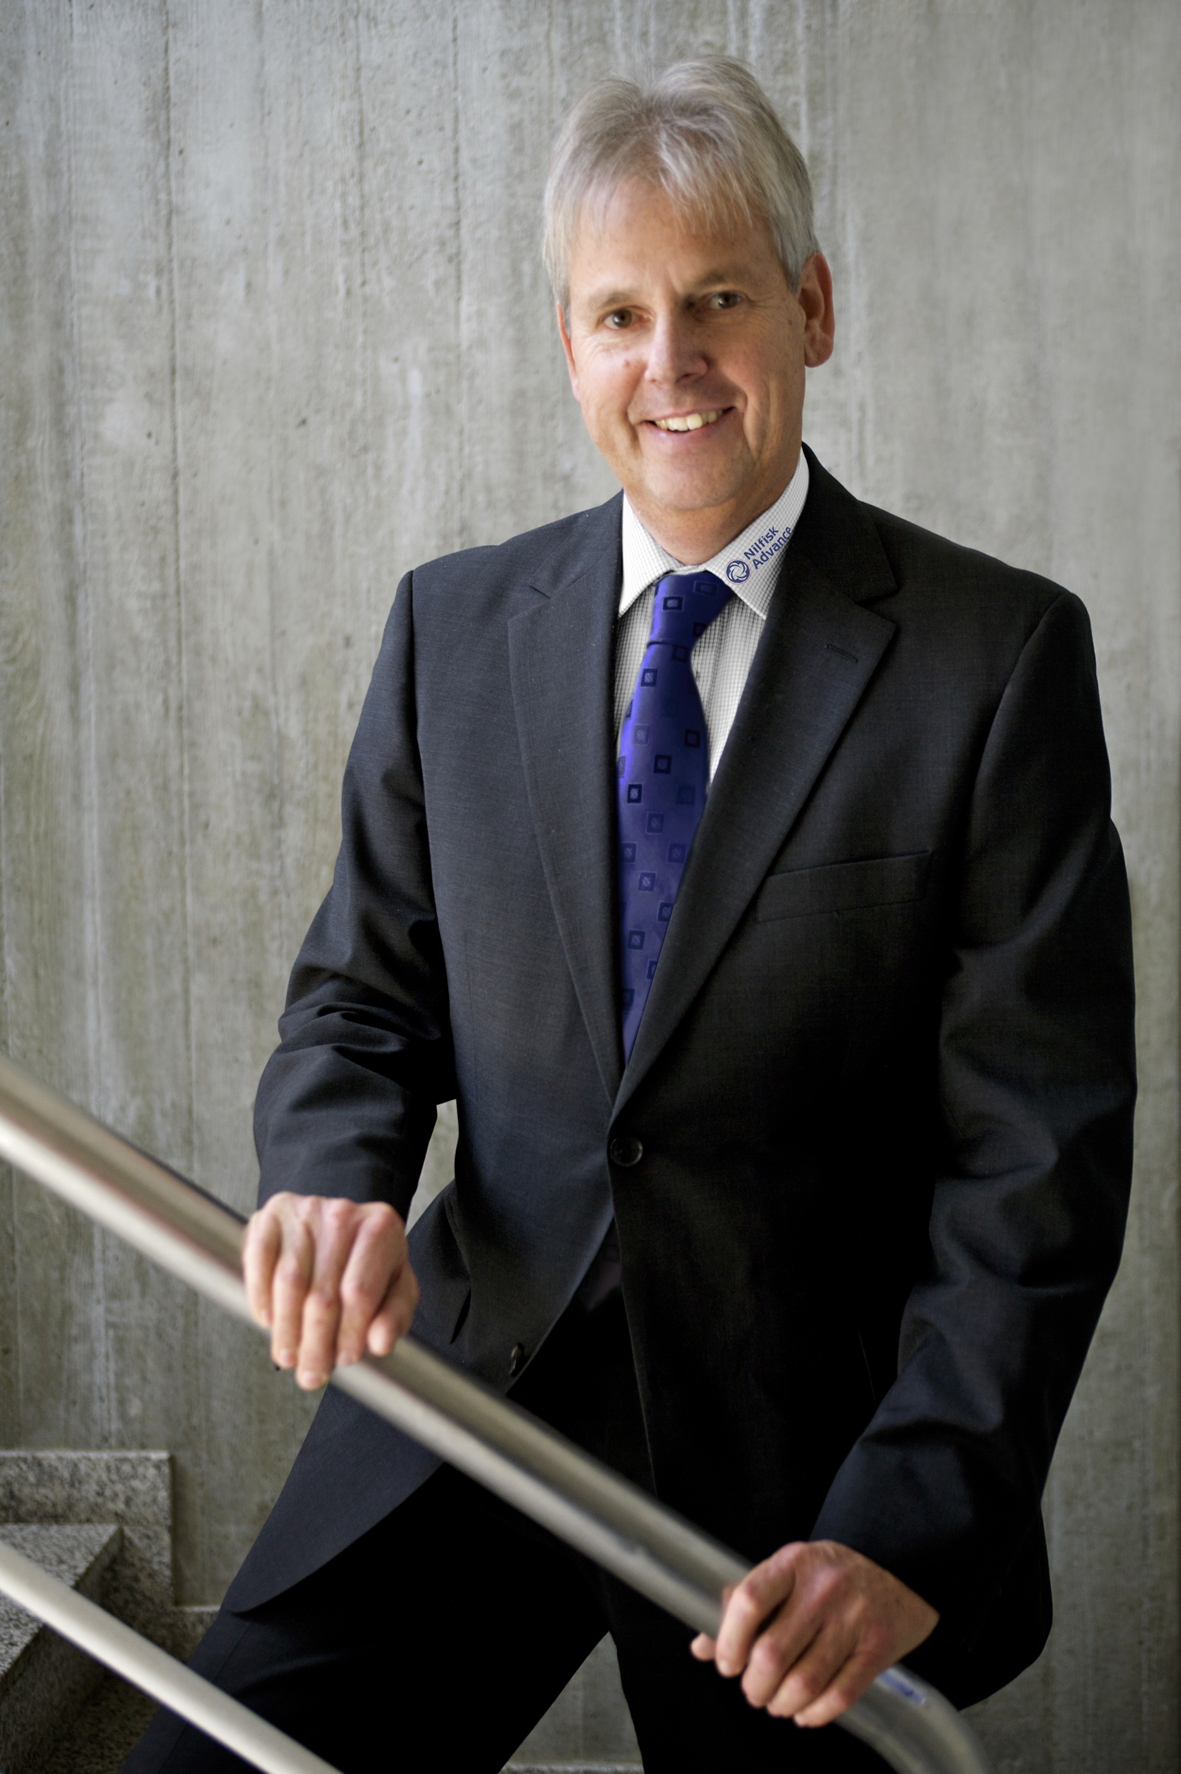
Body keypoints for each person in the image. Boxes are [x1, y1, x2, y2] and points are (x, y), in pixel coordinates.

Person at [125, 56, 1135, 1774]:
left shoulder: (993, 659)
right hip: (471, 1396)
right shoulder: (453, 632)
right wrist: (330, 1175)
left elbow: (1033, 1156)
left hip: (801, 1488)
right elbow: (361, 995)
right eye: (618, 314)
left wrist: (908, 1516)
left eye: (717, 299)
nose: (669, 361)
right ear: (569, 343)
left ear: (811, 309)